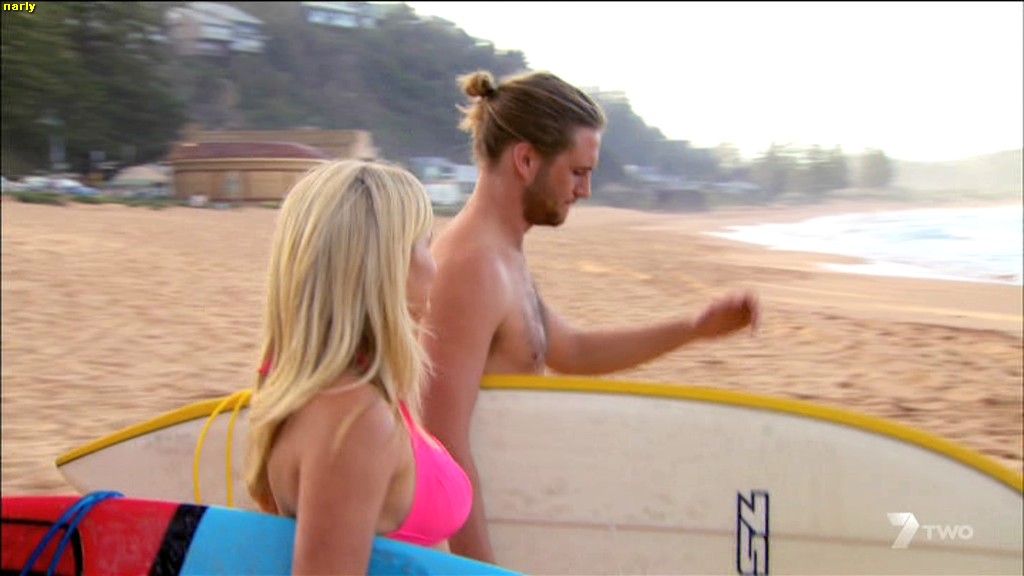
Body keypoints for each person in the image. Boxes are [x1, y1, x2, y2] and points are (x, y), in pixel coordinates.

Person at [420, 70, 760, 564]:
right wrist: (478, 570)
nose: (586, 190)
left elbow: (572, 351)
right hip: (479, 543)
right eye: (578, 171)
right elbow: (442, 442)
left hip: (517, 521)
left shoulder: (500, 256)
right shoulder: (471, 267)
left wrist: (693, 329)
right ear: (526, 160)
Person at [244, 159, 473, 575]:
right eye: (424, 244)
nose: (435, 265)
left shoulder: (340, 392)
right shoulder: (354, 420)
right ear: (384, 267)